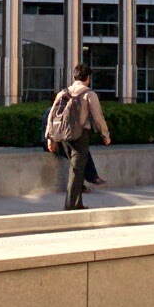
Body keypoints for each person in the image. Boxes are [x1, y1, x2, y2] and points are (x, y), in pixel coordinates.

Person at [46, 62, 110, 210]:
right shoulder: (89, 94)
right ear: (87, 78)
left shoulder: (62, 93)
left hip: (63, 135)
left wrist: (50, 137)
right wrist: (105, 135)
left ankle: (76, 203)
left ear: (74, 77)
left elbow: (51, 116)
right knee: (76, 170)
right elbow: (98, 117)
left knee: (76, 168)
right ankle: (72, 205)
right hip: (80, 136)